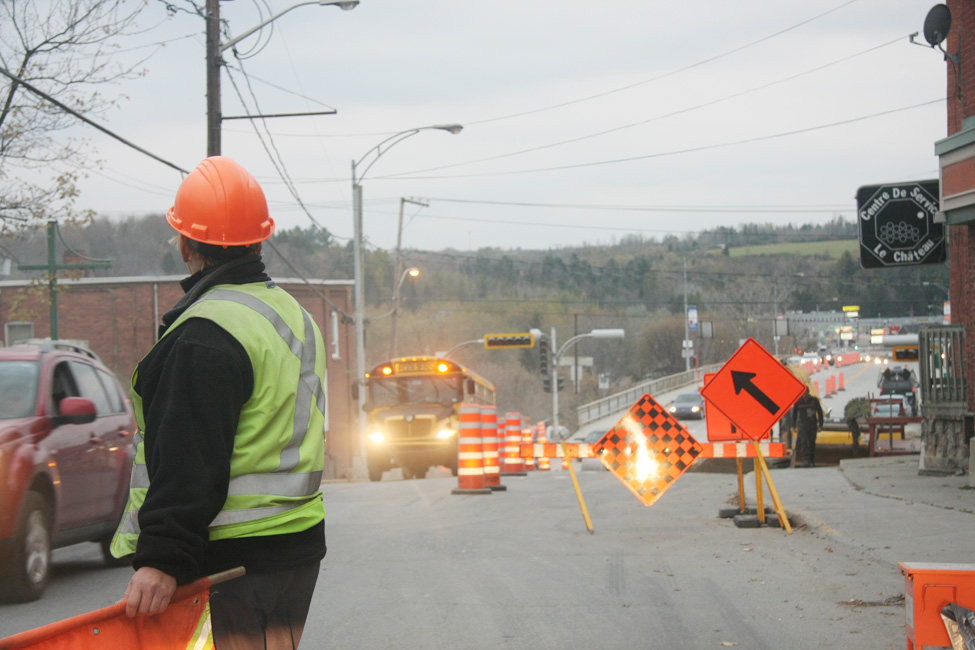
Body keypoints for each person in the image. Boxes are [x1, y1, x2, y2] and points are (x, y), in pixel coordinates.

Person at [111, 156, 328, 649]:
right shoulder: (291, 316)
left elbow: (190, 459)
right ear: (258, 238)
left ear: (184, 244)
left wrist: (161, 560)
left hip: (229, 561)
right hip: (295, 551)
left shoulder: (204, 334)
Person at [791, 387, 823, 468]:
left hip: (812, 425)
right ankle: (805, 460)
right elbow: (794, 414)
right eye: (803, 394)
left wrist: (820, 425)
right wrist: (794, 425)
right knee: (804, 442)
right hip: (802, 425)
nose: (805, 395)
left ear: (808, 392)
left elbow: (820, 413)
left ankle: (811, 460)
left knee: (812, 442)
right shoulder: (798, 401)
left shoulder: (814, 400)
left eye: (806, 393)